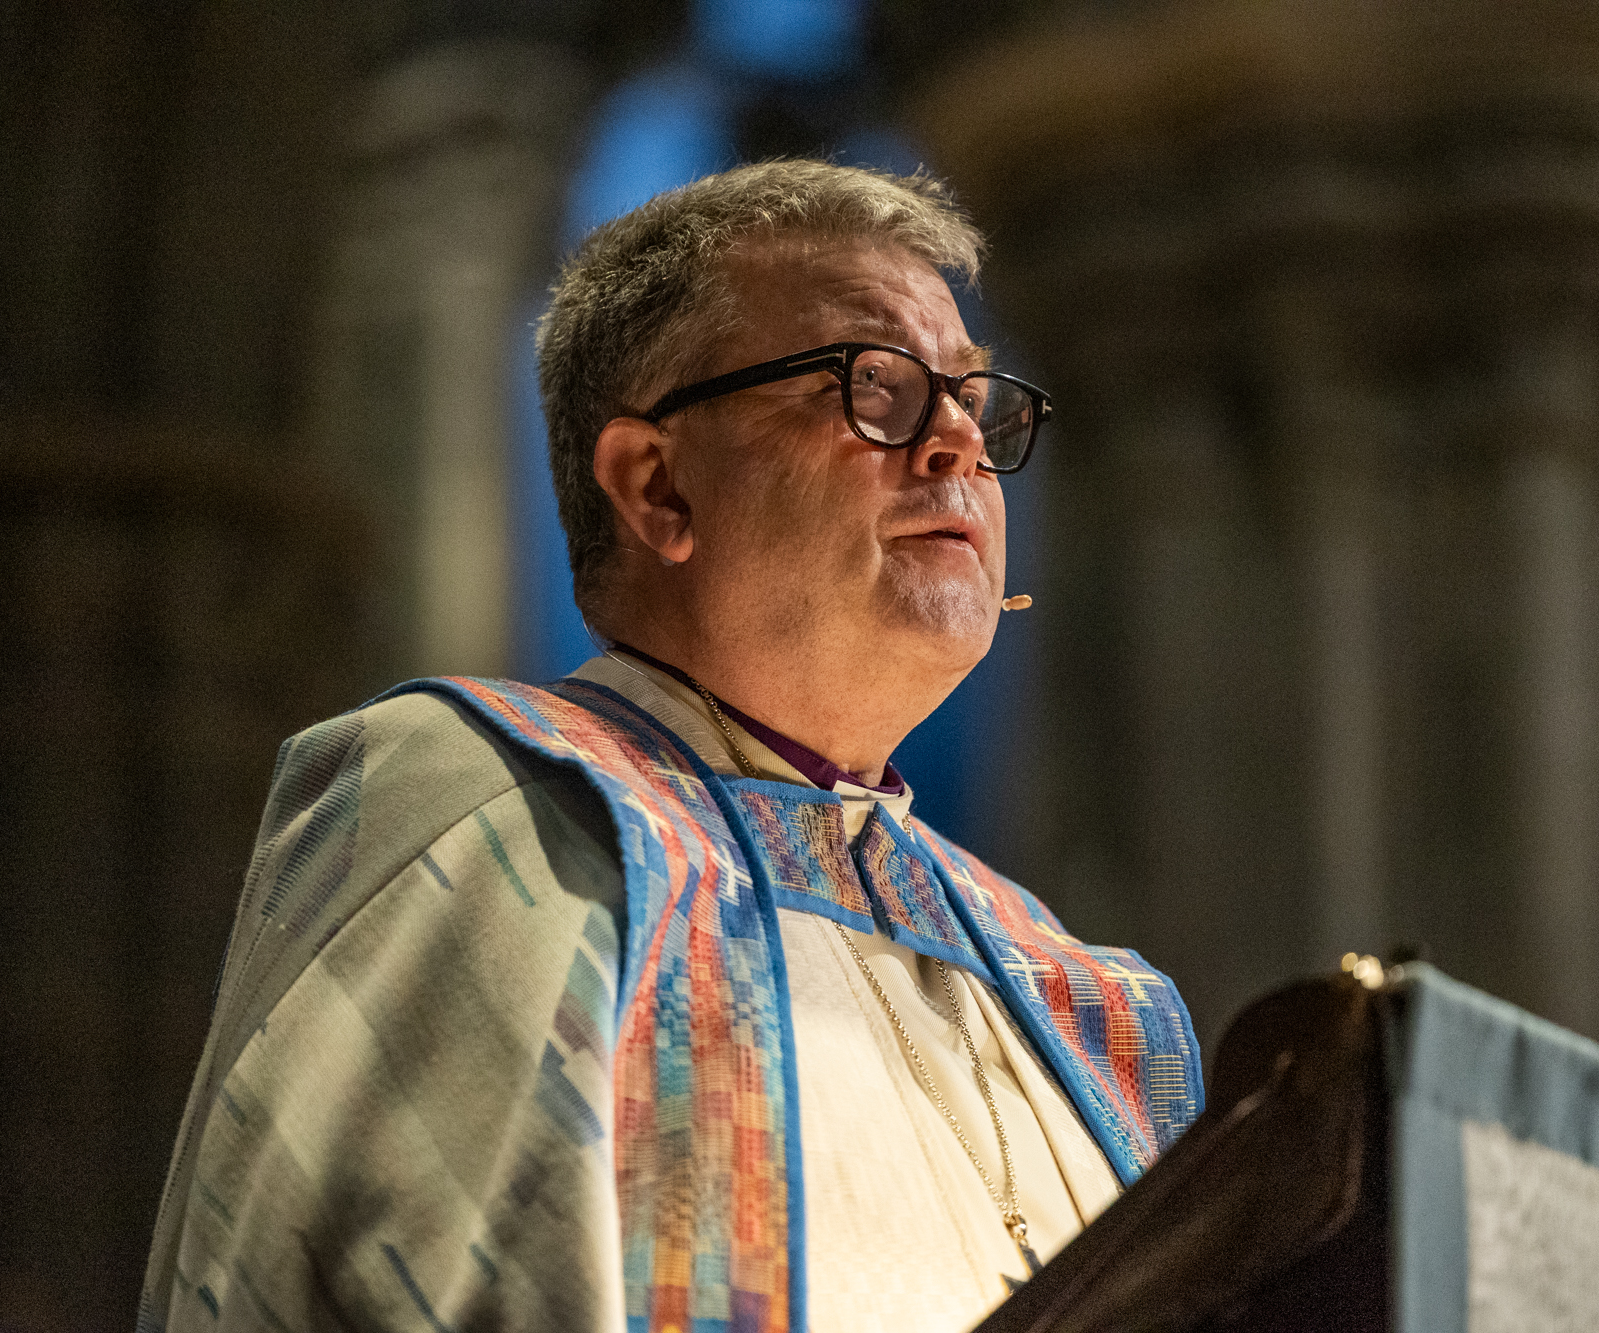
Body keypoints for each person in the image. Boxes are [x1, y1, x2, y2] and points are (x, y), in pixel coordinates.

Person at [140, 160, 1203, 1333]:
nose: (956, 442)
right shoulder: (496, 814)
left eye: (973, 397)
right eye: (878, 385)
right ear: (657, 489)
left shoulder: (1070, 1001)